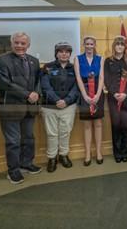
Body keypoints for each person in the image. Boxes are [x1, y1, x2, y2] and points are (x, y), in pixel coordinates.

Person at [0, 32, 42, 184]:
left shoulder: (34, 61)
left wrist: (37, 93)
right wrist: (28, 94)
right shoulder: (1, 60)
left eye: (23, 43)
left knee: (29, 138)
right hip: (11, 108)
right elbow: (4, 83)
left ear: (28, 45)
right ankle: (13, 171)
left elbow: (39, 81)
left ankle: (26, 163)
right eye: (17, 43)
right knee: (13, 141)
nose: (20, 46)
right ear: (11, 43)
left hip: (30, 107)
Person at [40, 42, 79, 172]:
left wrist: (66, 101)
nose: (64, 54)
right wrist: (57, 100)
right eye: (61, 51)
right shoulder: (48, 67)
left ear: (70, 54)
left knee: (65, 132)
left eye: (67, 52)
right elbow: (45, 86)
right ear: (56, 53)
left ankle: (63, 155)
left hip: (68, 107)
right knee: (52, 134)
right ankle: (51, 158)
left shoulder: (74, 67)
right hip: (50, 106)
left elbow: (76, 87)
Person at [104, 36, 127, 163]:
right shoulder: (108, 61)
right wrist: (114, 93)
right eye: (117, 44)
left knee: (126, 125)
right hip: (113, 97)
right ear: (114, 46)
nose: (120, 47)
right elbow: (107, 79)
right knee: (116, 125)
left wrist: (125, 94)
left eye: (122, 45)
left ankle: (125, 152)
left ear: (125, 47)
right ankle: (117, 153)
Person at [74, 36, 105, 166]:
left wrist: (98, 94)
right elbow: (78, 78)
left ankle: (98, 152)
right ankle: (87, 154)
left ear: (95, 45)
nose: (89, 46)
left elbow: (102, 77)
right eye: (87, 44)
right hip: (84, 93)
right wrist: (85, 95)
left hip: (97, 92)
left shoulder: (100, 58)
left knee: (98, 124)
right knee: (87, 125)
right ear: (83, 45)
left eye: (91, 44)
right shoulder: (77, 58)